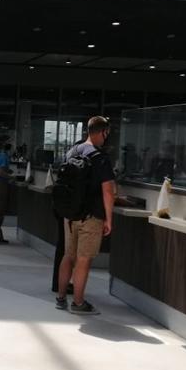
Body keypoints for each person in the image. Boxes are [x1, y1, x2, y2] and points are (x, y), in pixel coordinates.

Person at [56, 116, 116, 316]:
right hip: (91, 216)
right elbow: (108, 190)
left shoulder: (72, 151)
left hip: (70, 215)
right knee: (84, 260)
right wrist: (109, 219)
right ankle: (78, 303)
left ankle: (61, 298)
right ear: (103, 132)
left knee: (68, 256)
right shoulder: (99, 157)